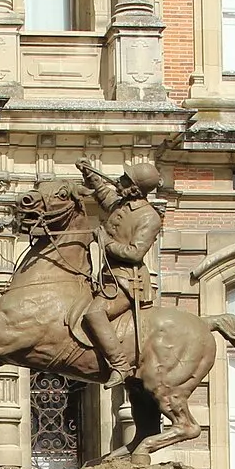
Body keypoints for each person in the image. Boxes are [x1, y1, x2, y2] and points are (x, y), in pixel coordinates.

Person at [72, 157, 163, 379]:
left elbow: (135, 253)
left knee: (94, 313)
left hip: (127, 281)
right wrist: (89, 173)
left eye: (124, 179)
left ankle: (120, 365)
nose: (118, 181)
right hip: (106, 276)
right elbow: (104, 194)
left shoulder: (149, 217)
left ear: (134, 188)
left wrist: (106, 243)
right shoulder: (121, 204)